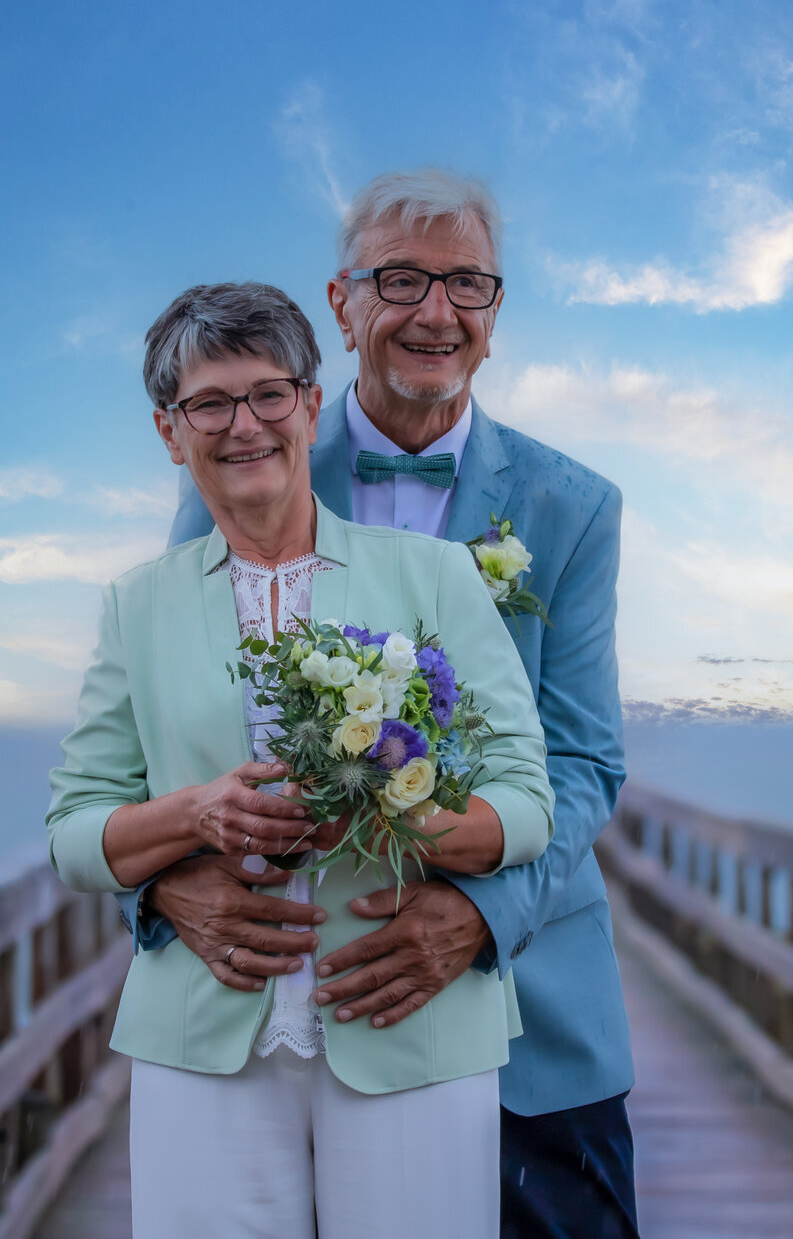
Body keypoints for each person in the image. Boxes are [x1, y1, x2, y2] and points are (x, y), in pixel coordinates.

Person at [135, 170, 638, 1237]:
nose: (434, 312)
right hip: (286, 1013)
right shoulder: (237, 455)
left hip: (534, 1011)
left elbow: (584, 764)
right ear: (341, 301)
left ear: (495, 312)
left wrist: (481, 917)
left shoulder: (572, 507)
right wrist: (163, 890)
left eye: (467, 284)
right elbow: (153, 719)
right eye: (399, 279)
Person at [46, 281, 554, 1237]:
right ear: (170, 430)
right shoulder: (135, 604)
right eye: (210, 402)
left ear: (312, 405)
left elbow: (526, 804)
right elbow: (75, 831)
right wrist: (195, 817)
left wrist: (386, 812)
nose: (245, 425)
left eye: (270, 393)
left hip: (414, 1019)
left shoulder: (434, 575)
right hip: (203, 1028)